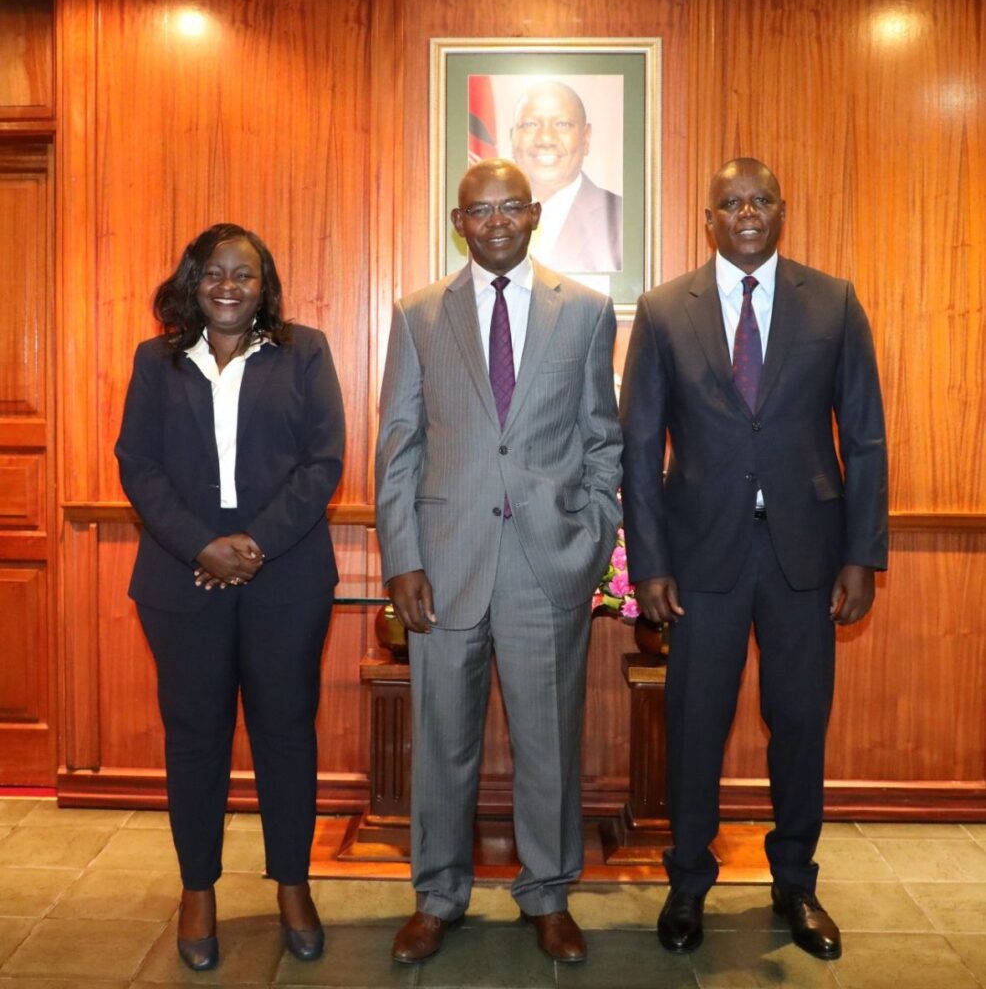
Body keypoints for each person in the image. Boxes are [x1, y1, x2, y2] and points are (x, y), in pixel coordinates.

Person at [620, 159, 888, 961]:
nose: (746, 213)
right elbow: (639, 446)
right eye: (730, 203)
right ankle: (688, 882)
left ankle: (796, 883)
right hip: (700, 556)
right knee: (696, 724)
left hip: (806, 553)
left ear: (782, 211)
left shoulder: (832, 301)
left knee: (800, 721)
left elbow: (865, 436)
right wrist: (649, 563)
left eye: (760, 200)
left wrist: (862, 554)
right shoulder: (666, 308)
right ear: (709, 219)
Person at [376, 158, 621, 964]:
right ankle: (437, 896)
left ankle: (548, 898)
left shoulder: (583, 313)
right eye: (480, 211)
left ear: (536, 213)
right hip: (445, 568)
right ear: (459, 220)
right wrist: (403, 560)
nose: (497, 222)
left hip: (547, 566)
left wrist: (593, 539)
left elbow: (602, 440)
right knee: (442, 742)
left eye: (512, 206)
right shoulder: (418, 314)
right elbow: (400, 447)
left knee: (549, 743)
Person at [115, 224, 345, 971]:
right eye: (215, 272)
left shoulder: (303, 351)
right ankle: (198, 891)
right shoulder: (157, 361)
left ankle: (292, 885)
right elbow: (137, 464)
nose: (228, 285)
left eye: (244, 274)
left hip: (286, 575)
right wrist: (201, 546)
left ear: (264, 285)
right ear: (193, 279)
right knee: (195, 736)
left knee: (285, 734)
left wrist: (251, 548)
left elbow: (323, 460)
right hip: (181, 580)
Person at [510, 80, 622, 273]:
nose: (545, 139)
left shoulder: (620, 218)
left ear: (586, 138)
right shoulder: (486, 220)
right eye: (530, 124)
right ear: (512, 138)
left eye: (562, 124)